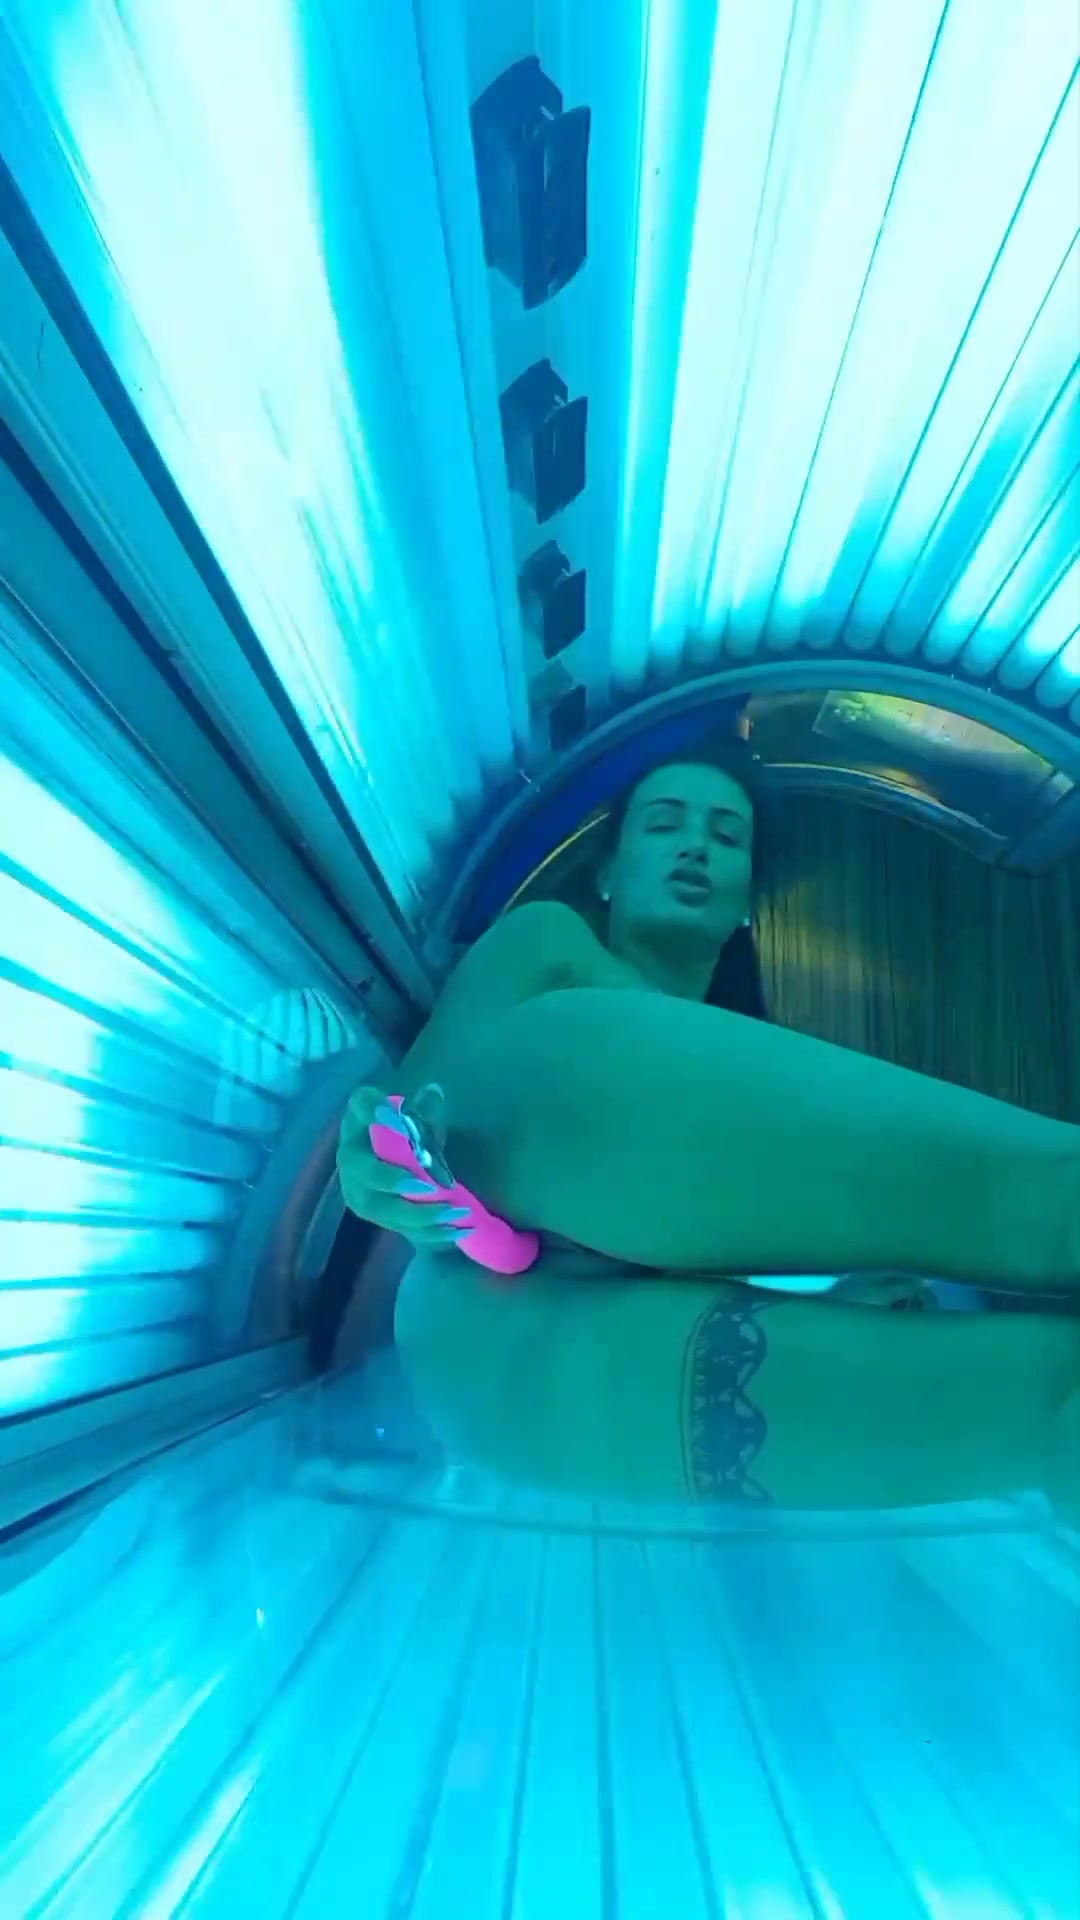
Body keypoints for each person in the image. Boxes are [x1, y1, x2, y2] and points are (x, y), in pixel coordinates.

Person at [338, 747, 1080, 1519]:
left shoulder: (751, 1080)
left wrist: (832, 1302)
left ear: (748, 902)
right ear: (607, 874)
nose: (695, 846)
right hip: (484, 1327)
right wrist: (379, 1168)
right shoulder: (547, 944)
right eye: (665, 825)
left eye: (726, 837)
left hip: (525, 1366)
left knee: (1057, 1407)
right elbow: (410, 1114)